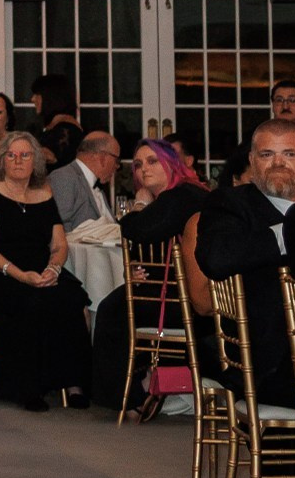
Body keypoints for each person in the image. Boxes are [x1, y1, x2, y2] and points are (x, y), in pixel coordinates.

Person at [0, 129, 92, 409]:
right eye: (11, 155)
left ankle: (73, 382)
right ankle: (27, 386)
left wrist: (54, 270)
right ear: (2, 160)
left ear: (35, 161)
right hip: (2, 271)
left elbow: (59, 245)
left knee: (72, 299)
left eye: (25, 155)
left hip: (41, 268)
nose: (18, 160)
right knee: (31, 301)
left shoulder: (44, 194)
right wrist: (20, 275)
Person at [90, 138, 210, 412]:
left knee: (112, 310)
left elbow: (137, 229)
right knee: (118, 304)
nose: (144, 169)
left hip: (190, 300)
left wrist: (139, 204)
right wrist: (133, 266)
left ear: (171, 163)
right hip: (179, 291)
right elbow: (147, 242)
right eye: (138, 164)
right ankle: (143, 383)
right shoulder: (178, 195)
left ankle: (130, 396)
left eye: (152, 161)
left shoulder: (182, 195)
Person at [194, 119, 295, 409]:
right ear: (252, 162)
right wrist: (287, 234)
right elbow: (216, 259)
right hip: (268, 360)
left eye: (290, 154)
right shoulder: (231, 204)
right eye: (267, 154)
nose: (278, 163)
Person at [215, 78, 295, 187]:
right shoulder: (258, 135)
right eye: (279, 100)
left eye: (292, 100)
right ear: (273, 104)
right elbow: (234, 167)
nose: (285, 106)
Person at [51, 127, 121, 232]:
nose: (117, 166)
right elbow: (59, 230)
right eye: (116, 160)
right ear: (102, 158)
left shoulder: (97, 185)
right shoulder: (64, 178)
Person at [30, 73, 82, 165]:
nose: (32, 99)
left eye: (37, 94)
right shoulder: (60, 128)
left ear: (50, 97)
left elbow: (61, 164)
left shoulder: (66, 130)